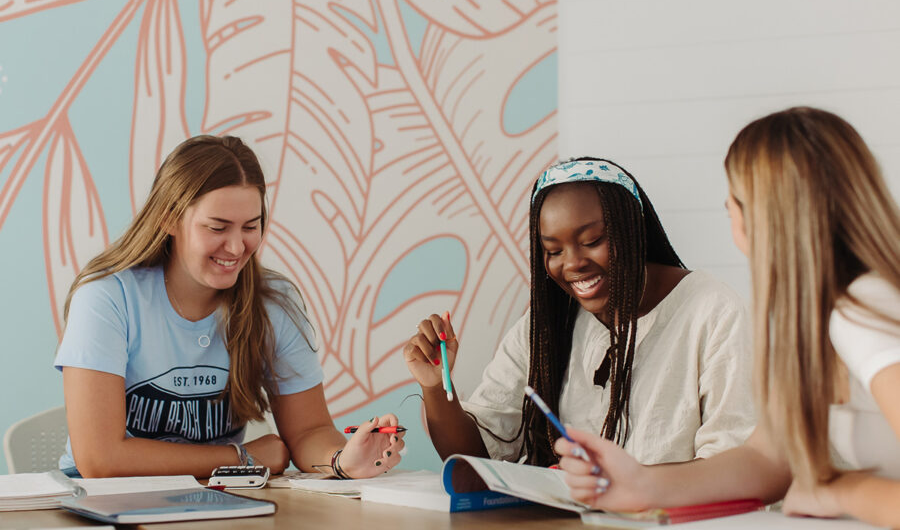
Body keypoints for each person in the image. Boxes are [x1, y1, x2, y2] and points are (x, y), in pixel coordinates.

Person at [556, 107, 900, 527]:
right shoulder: (811, 322)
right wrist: (640, 482)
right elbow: (767, 460)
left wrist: (841, 490)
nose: (728, 210)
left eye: (733, 202)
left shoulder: (865, 314)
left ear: (763, 217)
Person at [54, 135, 403, 478]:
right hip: (104, 502)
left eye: (251, 226)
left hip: (215, 498)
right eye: (217, 227)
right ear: (169, 218)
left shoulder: (273, 303)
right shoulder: (106, 297)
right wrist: (242, 457)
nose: (236, 247)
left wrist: (342, 460)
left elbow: (308, 431)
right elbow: (100, 459)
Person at [404, 157, 755, 467]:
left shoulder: (712, 310)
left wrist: (620, 485)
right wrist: (436, 387)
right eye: (553, 250)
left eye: (592, 241)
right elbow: (476, 458)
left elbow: (732, 464)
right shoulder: (547, 325)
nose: (572, 264)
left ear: (633, 231)